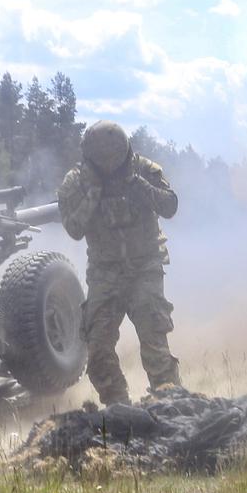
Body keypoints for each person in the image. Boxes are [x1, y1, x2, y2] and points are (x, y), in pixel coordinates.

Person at [57, 120, 181, 405]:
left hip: (145, 268)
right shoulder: (76, 182)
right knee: (98, 349)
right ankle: (119, 411)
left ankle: (172, 406)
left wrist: (138, 186)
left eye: (115, 160)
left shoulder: (146, 171)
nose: (111, 167)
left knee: (155, 346)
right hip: (104, 273)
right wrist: (93, 193)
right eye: (104, 163)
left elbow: (170, 206)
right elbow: (74, 229)